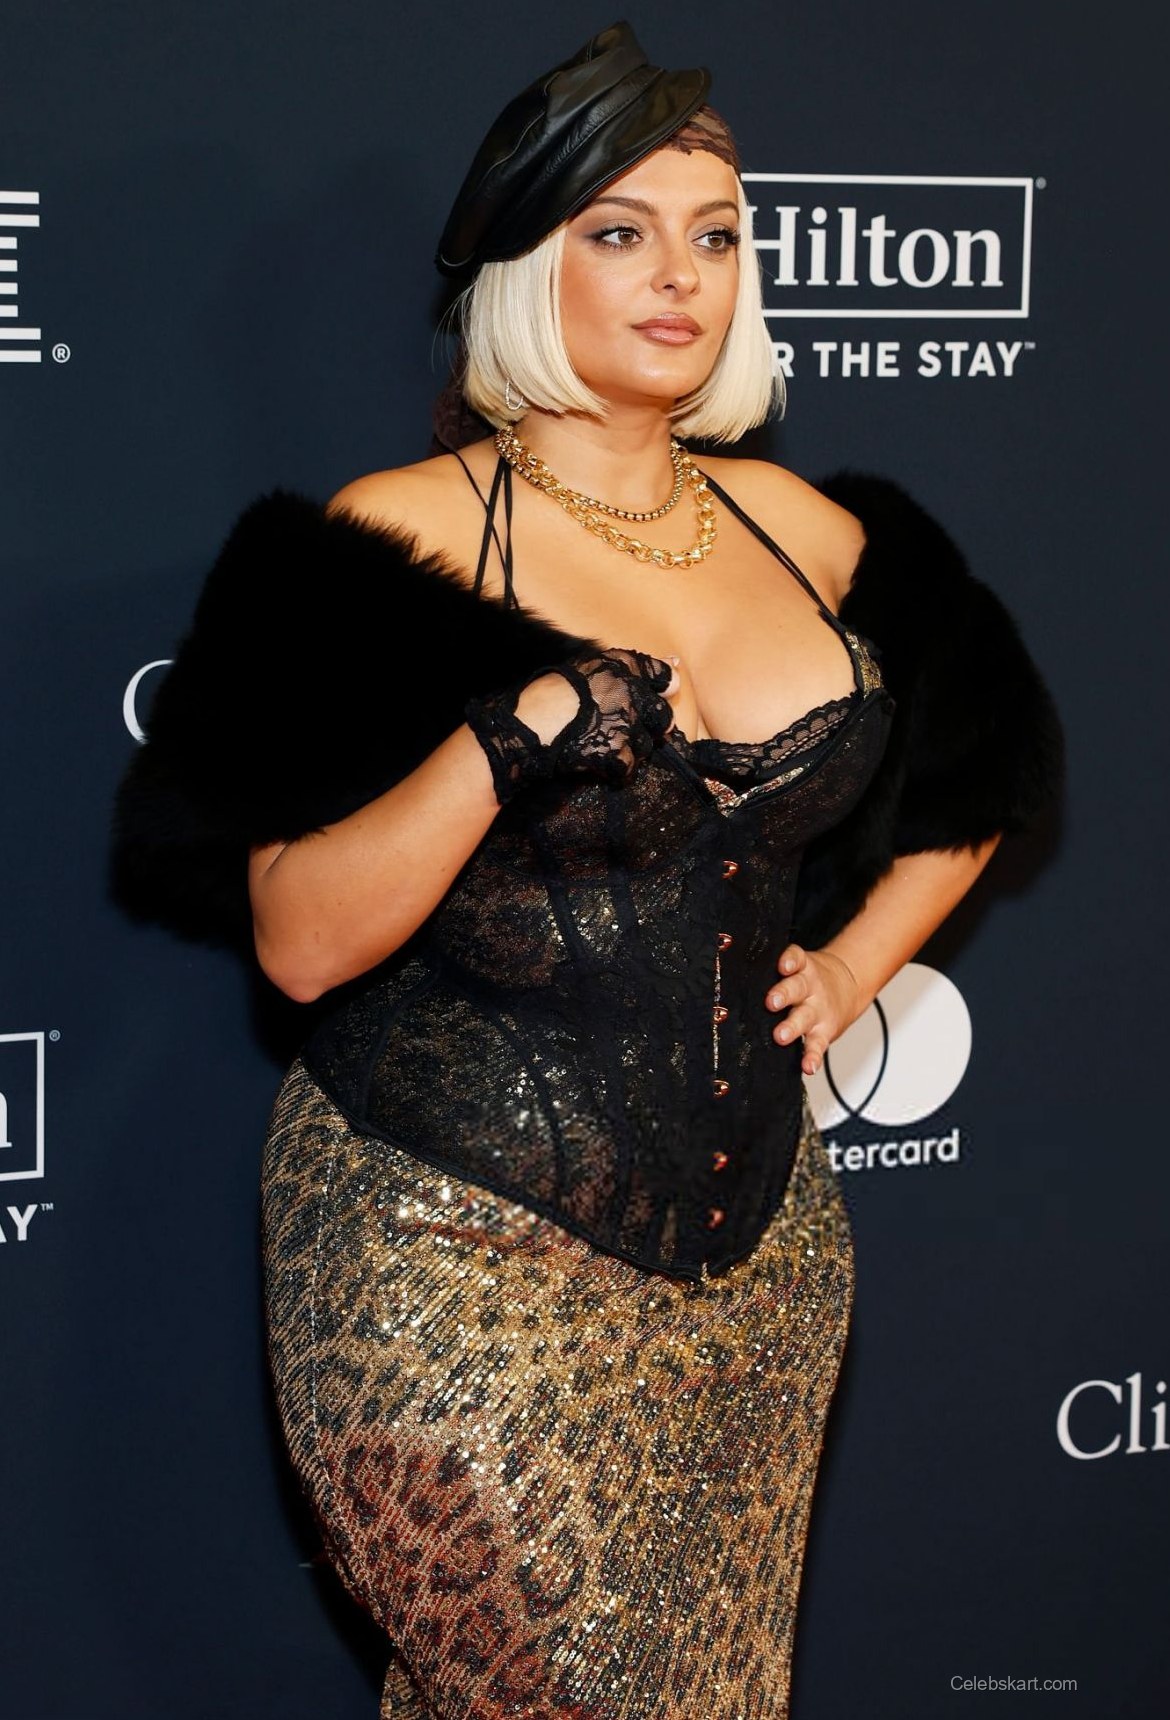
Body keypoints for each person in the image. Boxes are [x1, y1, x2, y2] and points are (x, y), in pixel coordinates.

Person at [110, 22, 1063, 1719]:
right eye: (619, 231)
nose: (680, 275)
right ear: (518, 266)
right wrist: (506, 735)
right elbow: (298, 941)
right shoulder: (385, 538)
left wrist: (855, 963)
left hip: (761, 1267)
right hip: (443, 1239)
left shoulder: (815, 535)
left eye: (716, 234)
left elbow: (993, 774)